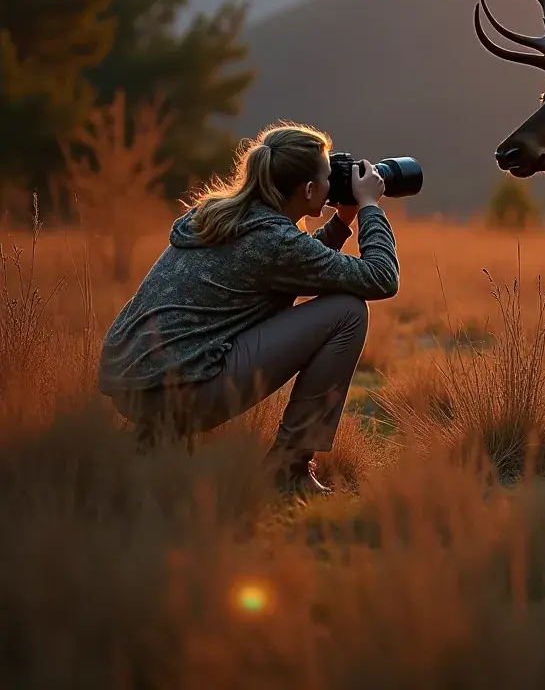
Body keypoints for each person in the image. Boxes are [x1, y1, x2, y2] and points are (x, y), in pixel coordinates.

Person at [98, 122, 400, 501]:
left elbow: (296, 265)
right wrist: (370, 205)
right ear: (308, 191)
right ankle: (289, 468)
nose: (331, 185)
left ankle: (154, 439)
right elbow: (382, 278)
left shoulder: (215, 214)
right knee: (348, 311)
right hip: (183, 393)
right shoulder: (274, 241)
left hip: (131, 388)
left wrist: (341, 220)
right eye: (327, 177)